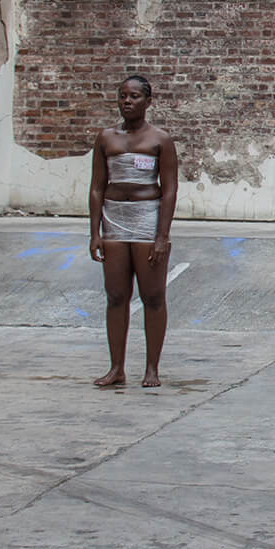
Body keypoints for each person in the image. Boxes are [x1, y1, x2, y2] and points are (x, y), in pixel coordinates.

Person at [89, 74, 179, 388]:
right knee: (116, 296)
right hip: (115, 219)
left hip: (146, 218)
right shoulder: (106, 138)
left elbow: (169, 189)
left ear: (148, 101)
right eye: (123, 96)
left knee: (153, 295)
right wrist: (95, 231)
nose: (128, 101)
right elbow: (97, 187)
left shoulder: (160, 140)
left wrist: (161, 235)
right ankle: (117, 367)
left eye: (135, 96)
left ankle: (152, 368)